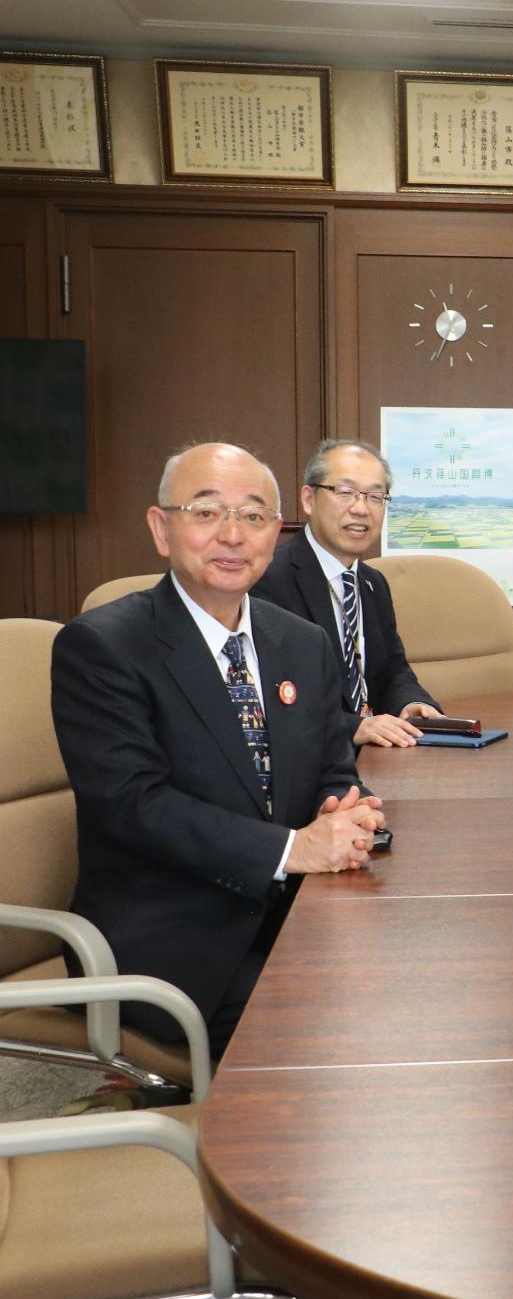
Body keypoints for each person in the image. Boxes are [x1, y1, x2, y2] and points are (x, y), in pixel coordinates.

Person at [51, 442, 385, 1055]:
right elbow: (133, 805)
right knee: (333, 1039)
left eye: (254, 517)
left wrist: (347, 811)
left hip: (292, 917)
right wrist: (294, 847)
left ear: (275, 533)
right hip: (169, 937)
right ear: (161, 527)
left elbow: (331, 767)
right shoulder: (103, 646)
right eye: (206, 513)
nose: (233, 535)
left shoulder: (302, 643)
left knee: (408, 991)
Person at [250, 438, 445, 749]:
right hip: (309, 762)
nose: (361, 508)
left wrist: (410, 703)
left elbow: (393, 670)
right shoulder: (267, 580)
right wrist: (354, 727)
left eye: (375, 496)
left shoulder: (373, 584)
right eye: (345, 492)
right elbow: (268, 696)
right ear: (308, 499)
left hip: (380, 759)